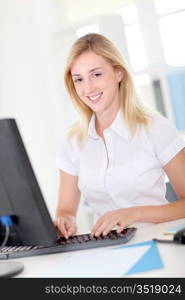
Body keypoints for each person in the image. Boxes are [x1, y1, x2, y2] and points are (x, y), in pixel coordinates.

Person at [55, 33, 185, 239]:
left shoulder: (155, 128)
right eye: (78, 79)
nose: (88, 88)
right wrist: (65, 221)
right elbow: (66, 211)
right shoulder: (73, 140)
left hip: (156, 243)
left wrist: (135, 213)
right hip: (105, 249)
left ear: (118, 73)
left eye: (96, 74)